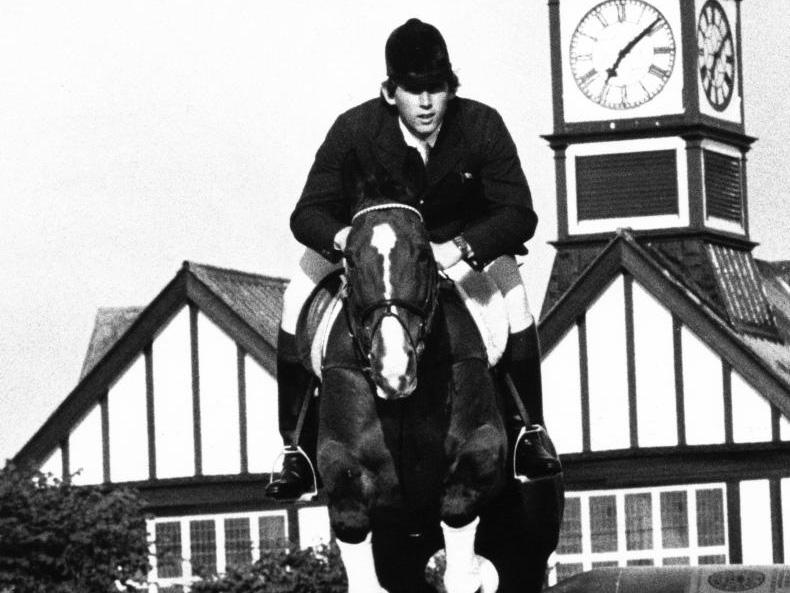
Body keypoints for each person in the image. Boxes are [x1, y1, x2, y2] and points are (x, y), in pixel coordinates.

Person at [264, 17, 561, 501]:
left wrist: (461, 247)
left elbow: (518, 213)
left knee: (515, 299)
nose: (426, 103)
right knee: (294, 297)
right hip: (371, 252)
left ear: (451, 88)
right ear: (389, 91)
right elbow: (307, 213)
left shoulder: (481, 125)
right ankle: (296, 449)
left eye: (436, 89)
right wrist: (346, 240)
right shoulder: (354, 129)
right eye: (413, 90)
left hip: (454, 249)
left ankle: (529, 431)